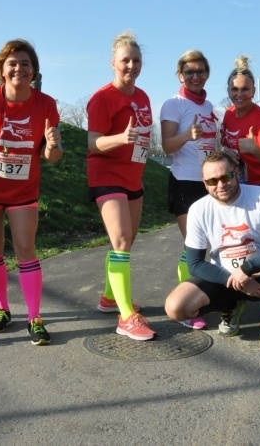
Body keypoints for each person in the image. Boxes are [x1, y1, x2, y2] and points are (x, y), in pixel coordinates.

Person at [0, 39, 62, 346]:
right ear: (1, 70)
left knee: (25, 250)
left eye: (25, 64)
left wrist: (54, 144)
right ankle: (2, 309)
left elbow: (52, 158)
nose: (19, 68)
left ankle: (34, 317)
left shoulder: (46, 104)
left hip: (24, 191)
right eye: (12, 64)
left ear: (33, 71)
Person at [164, 151, 260, 354]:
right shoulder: (198, 209)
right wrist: (236, 279)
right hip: (224, 280)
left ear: (237, 173)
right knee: (175, 307)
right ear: (205, 184)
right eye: (212, 181)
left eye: (226, 176)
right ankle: (229, 309)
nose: (220, 185)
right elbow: (194, 264)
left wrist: (247, 269)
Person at [87, 31, 156, 341]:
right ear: (113, 62)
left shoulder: (142, 97)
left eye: (136, 60)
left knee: (127, 240)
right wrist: (120, 139)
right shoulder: (102, 97)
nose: (131, 65)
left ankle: (108, 297)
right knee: (121, 240)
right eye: (125, 60)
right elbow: (92, 143)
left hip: (133, 177)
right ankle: (126, 316)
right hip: (106, 174)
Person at [160, 49, 218, 330]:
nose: (196, 77)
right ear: (180, 75)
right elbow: (166, 146)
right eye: (190, 72)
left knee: (212, 243)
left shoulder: (208, 108)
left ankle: (207, 295)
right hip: (184, 181)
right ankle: (187, 305)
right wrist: (186, 135)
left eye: (201, 71)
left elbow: (210, 146)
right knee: (194, 245)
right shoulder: (174, 104)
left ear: (207, 74)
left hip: (210, 183)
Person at [220, 55, 260, 201]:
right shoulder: (229, 113)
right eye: (234, 89)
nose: (239, 94)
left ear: (253, 91)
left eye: (245, 90)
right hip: (242, 183)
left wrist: (255, 149)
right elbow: (227, 145)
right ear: (228, 91)